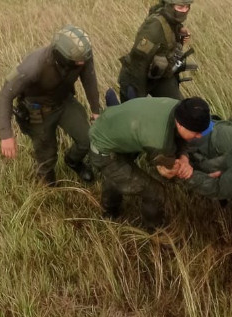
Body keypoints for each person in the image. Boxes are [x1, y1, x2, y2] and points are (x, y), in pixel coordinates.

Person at [0, 25, 103, 185]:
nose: (83, 63)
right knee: (47, 154)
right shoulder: (33, 66)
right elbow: (5, 95)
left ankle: (73, 161)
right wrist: (6, 135)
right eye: (78, 61)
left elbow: (89, 79)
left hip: (64, 102)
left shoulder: (82, 55)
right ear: (62, 56)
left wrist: (96, 110)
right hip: (38, 112)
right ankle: (47, 183)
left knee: (87, 138)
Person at [88, 96, 212, 228]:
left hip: (111, 129)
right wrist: (181, 169)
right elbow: (166, 172)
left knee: (117, 177)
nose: (200, 136)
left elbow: (179, 137)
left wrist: (184, 158)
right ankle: (153, 230)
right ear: (180, 124)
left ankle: (110, 211)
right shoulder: (159, 141)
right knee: (155, 193)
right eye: (196, 132)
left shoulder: (180, 108)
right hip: (103, 151)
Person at [116, 0, 195, 101]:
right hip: (136, 78)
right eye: (180, 7)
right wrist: (140, 97)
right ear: (168, 5)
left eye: (186, 7)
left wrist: (179, 32)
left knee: (178, 109)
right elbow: (139, 63)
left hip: (159, 76)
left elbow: (170, 28)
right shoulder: (153, 27)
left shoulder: (170, 19)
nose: (184, 11)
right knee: (135, 115)